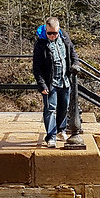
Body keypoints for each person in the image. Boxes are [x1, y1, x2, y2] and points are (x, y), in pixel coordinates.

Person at [32, 16, 78, 148]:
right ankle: (51, 136)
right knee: (50, 109)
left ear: (59, 30)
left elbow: (73, 53)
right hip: (50, 82)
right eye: (49, 33)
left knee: (64, 107)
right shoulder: (40, 44)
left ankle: (61, 130)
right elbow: (37, 67)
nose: (52, 35)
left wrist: (75, 64)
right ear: (46, 30)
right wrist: (42, 84)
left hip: (64, 81)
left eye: (55, 33)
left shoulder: (64, 38)